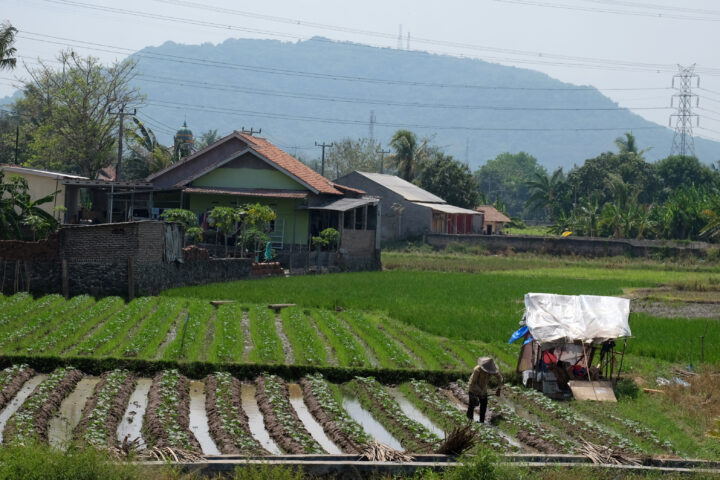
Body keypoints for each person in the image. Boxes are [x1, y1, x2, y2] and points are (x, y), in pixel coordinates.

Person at [467, 356, 503, 423]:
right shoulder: (477, 370)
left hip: (483, 388)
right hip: (473, 388)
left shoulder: (493, 370)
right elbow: (473, 382)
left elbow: (500, 378)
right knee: (471, 405)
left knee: (484, 405)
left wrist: (499, 388)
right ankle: (469, 422)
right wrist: (480, 392)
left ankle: (481, 422)